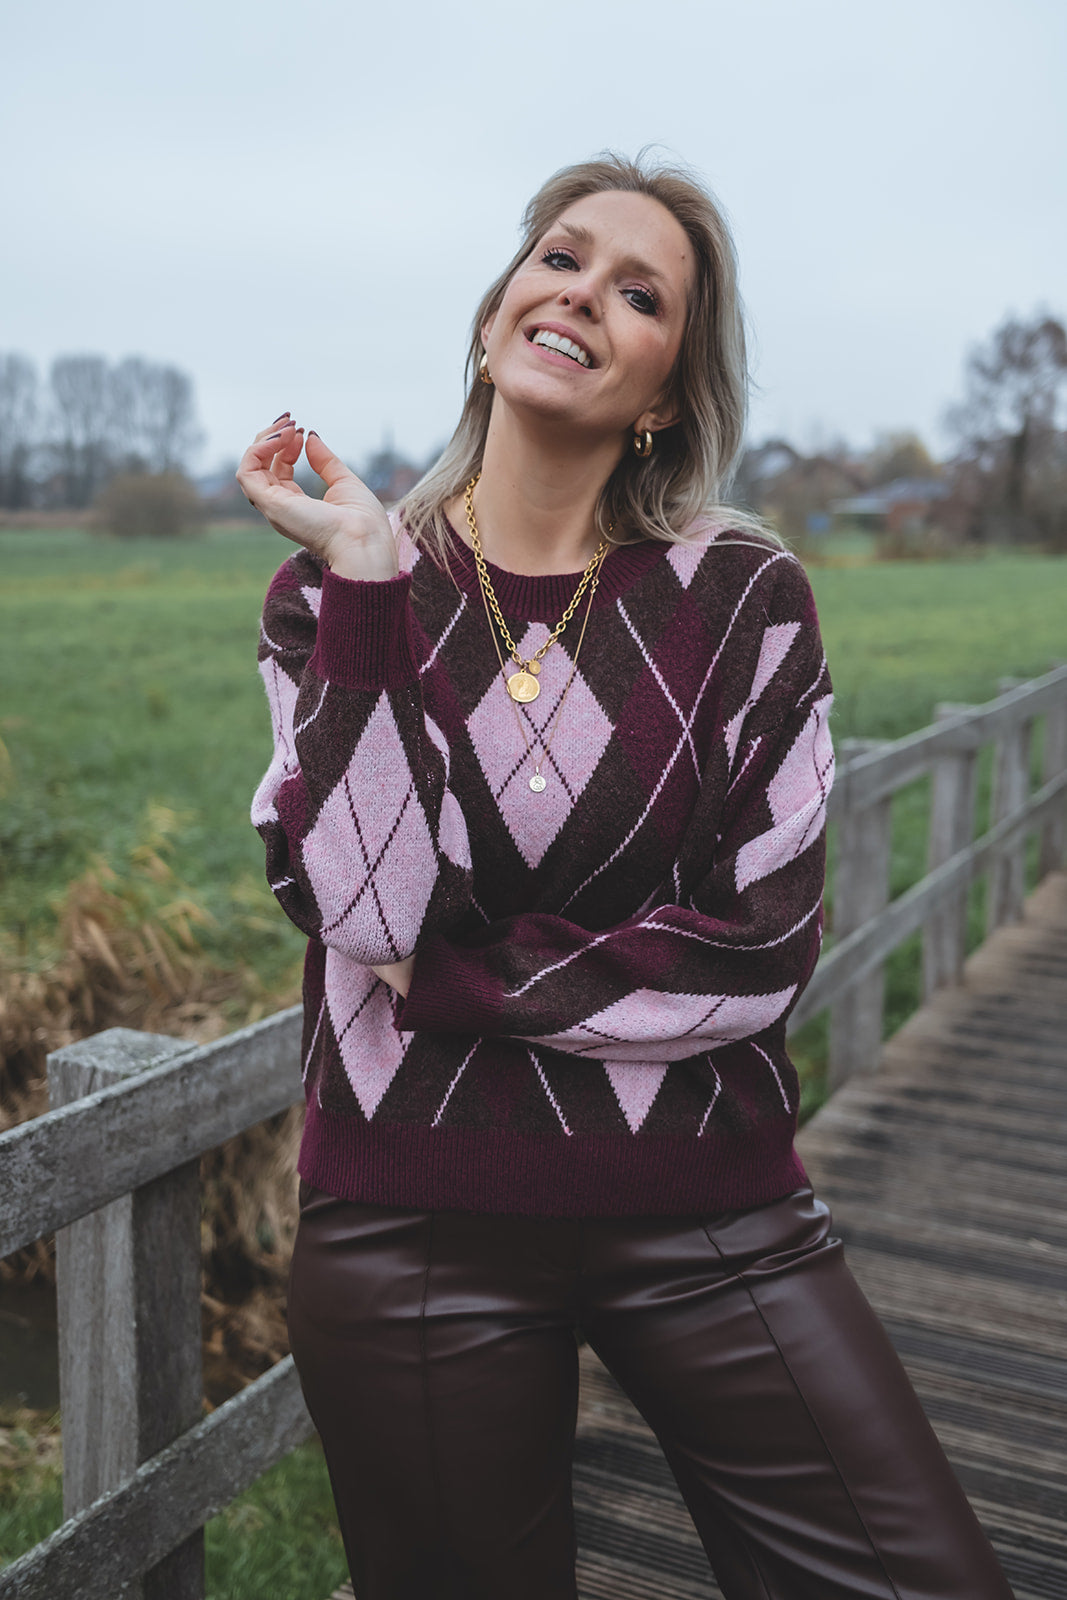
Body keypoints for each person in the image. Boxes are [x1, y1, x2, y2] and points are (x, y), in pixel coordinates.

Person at [239, 153, 1014, 1600]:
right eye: (561, 258)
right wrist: (366, 576)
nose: (584, 293)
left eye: (640, 293)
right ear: (498, 312)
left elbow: (757, 948)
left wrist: (448, 982)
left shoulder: (750, 603)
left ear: (665, 392)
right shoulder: (333, 598)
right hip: (419, 1220)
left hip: (709, 1206)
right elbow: (367, 908)